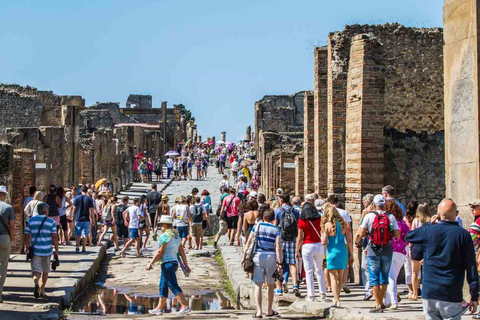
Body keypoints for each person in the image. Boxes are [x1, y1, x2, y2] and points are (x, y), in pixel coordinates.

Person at [406, 198, 478, 319]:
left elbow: (410, 236)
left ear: (438, 215)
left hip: (429, 292)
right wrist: (474, 295)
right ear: (457, 213)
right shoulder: (463, 235)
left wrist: (429, 224)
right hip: (450, 292)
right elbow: (471, 267)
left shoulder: (429, 231)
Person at [358, 195, 400, 313]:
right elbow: (397, 235)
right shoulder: (390, 217)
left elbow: (361, 233)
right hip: (387, 249)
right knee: (384, 277)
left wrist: (369, 235)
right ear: (384, 204)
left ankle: (378, 304)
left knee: (374, 277)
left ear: (374, 204)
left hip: (373, 249)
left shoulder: (369, 216)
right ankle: (381, 302)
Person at [147, 215, 192, 316]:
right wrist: (186, 265)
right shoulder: (176, 236)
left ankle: (185, 306)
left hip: (167, 263)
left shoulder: (165, 236)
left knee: (173, 285)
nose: (160, 227)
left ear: (164, 225)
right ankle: (159, 308)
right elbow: (182, 252)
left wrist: (151, 263)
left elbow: (160, 252)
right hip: (174, 263)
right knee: (163, 285)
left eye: (161, 225)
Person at [242, 209, 283, 319]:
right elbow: (278, 247)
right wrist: (280, 262)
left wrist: (244, 256)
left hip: (258, 256)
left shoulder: (257, 226)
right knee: (270, 285)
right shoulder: (276, 229)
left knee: (258, 285)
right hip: (271, 256)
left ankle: (259, 311)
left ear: (264, 218)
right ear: (273, 219)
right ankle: (269, 310)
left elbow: (249, 242)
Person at [24, 202, 59, 298]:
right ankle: (42, 290)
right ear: (46, 211)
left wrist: (26, 246)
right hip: (47, 250)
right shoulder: (51, 222)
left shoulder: (31, 221)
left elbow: (26, 235)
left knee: (36, 270)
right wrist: (56, 250)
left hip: (35, 250)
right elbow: (54, 237)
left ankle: (36, 283)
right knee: (45, 270)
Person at [296, 200, 326, 302]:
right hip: (319, 245)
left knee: (309, 271)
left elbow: (300, 237)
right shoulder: (319, 219)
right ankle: (322, 292)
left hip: (307, 245)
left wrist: (297, 250)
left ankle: (311, 294)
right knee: (319, 269)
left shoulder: (302, 221)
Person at [384, 200, 409, 309]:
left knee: (391, 278)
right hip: (401, 252)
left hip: (389, 251)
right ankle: (387, 301)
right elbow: (407, 237)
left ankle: (394, 302)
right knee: (393, 277)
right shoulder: (402, 223)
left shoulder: (387, 221)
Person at [326, 194, 353, 294]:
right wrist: (351, 249)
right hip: (343, 242)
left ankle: (329, 286)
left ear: (329, 203)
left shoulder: (326, 213)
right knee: (344, 265)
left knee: (329, 267)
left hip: (330, 244)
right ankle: (343, 283)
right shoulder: (344, 213)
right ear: (337, 203)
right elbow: (348, 229)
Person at [321, 204, 348, 307]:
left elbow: (324, 241)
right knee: (340, 276)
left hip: (331, 252)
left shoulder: (327, 225)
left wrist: (322, 235)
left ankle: (336, 300)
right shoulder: (343, 224)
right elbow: (348, 237)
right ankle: (338, 296)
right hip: (342, 251)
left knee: (333, 277)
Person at [273, 195, 299, 296]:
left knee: (280, 264)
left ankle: (279, 288)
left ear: (281, 200)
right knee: (292, 263)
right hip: (292, 239)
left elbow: (275, 226)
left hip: (281, 239)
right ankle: (295, 285)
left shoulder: (277, 211)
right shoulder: (295, 211)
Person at [355, 194, 374, 301]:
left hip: (368, 244)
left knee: (365, 267)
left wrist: (357, 240)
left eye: (364, 202)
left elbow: (361, 230)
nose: (363, 204)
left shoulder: (366, 213)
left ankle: (368, 290)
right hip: (380, 245)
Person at [410, 203, 431, 301]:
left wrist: (410, 248)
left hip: (416, 246)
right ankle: (426, 292)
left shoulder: (415, 221)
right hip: (427, 246)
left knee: (415, 271)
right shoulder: (430, 221)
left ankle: (415, 293)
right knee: (426, 271)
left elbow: (412, 234)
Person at [0, 185, 14, 302]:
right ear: (3, 195)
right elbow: (12, 226)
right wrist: (12, 238)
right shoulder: (8, 207)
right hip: (4, 238)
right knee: (3, 266)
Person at [72, 185, 95, 253]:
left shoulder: (77, 198)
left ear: (81, 190)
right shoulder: (89, 199)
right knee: (85, 234)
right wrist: (93, 219)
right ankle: (84, 248)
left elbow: (74, 208)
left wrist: (73, 215)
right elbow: (92, 210)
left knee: (77, 233)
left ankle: (77, 247)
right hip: (86, 218)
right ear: (87, 190)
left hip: (78, 218)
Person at [404, 200, 417, 299]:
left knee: (408, 269)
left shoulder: (406, 219)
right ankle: (416, 289)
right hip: (417, 244)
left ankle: (411, 290)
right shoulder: (418, 219)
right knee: (416, 270)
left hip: (406, 244)